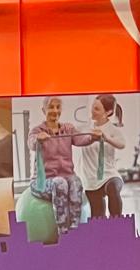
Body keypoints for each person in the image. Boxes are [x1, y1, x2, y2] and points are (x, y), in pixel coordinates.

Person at [31, 96, 98, 234]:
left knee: (76, 182)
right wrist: (38, 139)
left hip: (66, 179)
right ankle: (63, 232)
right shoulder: (37, 131)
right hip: (42, 183)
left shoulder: (68, 129)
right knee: (60, 183)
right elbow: (31, 143)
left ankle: (75, 230)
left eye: (58, 107)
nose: (55, 111)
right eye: (51, 107)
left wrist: (93, 137)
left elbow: (81, 139)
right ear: (43, 110)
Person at [79, 94, 127, 219]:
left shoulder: (112, 129)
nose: (92, 111)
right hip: (91, 180)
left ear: (108, 112)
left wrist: (106, 138)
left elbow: (122, 144)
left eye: (97, 109)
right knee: (98, 217)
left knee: (113, 188)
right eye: (93, 107)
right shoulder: (86, 127)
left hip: (109, 175)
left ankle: (117, 224)